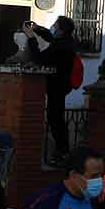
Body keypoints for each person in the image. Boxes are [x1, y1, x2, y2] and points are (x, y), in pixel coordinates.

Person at [24, 15, 78, 159]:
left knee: (55, 118)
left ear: (61, 30)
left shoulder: (61, 47)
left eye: (55, 25)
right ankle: (62, 149)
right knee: (57, 117)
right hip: (61, 85)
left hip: (57, 86)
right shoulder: (66, 41)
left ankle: (62, 151)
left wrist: (31, 38)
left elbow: (39, 58)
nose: (52, 27)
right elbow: (51, 38)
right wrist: (38, 29)